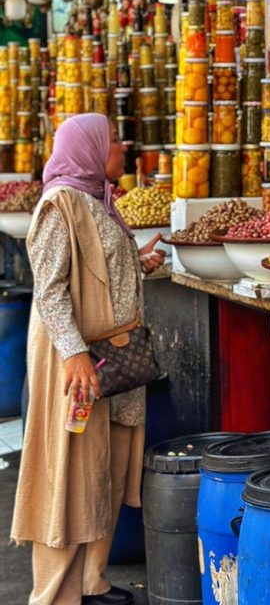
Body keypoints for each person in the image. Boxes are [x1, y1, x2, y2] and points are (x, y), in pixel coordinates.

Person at [11, 114, 166, 605]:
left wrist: (135, 262)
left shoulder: (96, 200)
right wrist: (76, 355)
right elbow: (51, 291)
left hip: (115, 362)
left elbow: (95, 267)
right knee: (69, 475)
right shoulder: (60, 206)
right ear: (91, 150)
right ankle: (54, 594)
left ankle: (91, 582)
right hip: (81, 367)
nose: (122, 148)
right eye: (113, 140)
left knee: (106, 471)